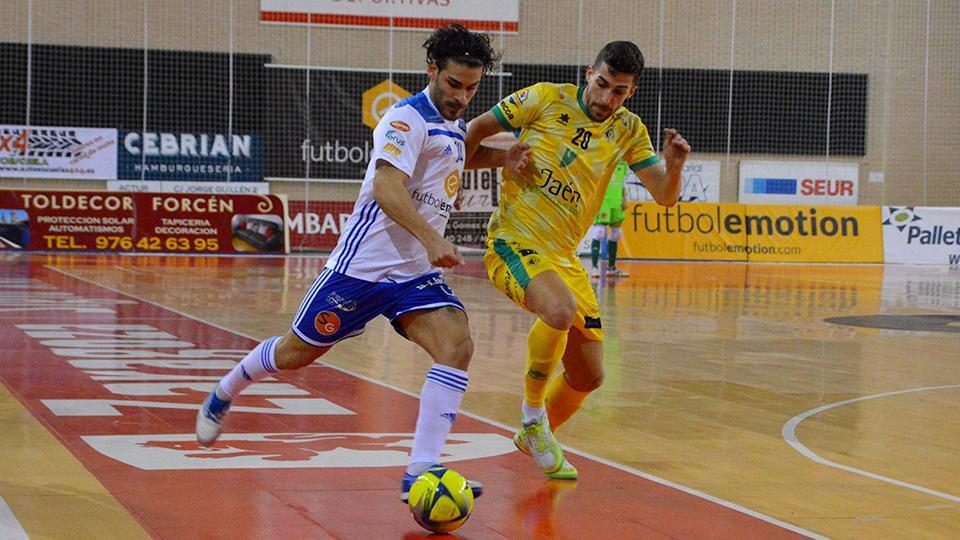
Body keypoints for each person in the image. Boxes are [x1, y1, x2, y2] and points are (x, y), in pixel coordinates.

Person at [196, 24, 506, 503]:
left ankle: (420, 469)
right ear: (431, 71)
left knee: (457, 345)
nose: (462, 97)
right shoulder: (405, 119)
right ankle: (226, 389)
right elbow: (386, 187)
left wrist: (509, 158)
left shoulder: (453, 123)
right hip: (360, 270)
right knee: (295, 355)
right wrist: (432, 237)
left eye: (472, 88)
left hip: (414, 277)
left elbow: (463, 151)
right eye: (453, 85)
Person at [465, 41, 690, 480]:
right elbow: (470, 135)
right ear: (589, 72)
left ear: (632, 92)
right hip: (514, 240)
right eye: (602, 84)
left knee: (589, 377)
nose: (607, 98)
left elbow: (665, 197)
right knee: (559, 309)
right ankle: (532, 419)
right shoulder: (545, 98)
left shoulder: (629, 129)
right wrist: (501, 161)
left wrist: (675, 166)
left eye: (619, 91)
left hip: (563, 258)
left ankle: (531, 435)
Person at [589, 160, 631, 278]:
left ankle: (611, 268)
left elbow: (622, 183)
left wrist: (624, 198)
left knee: (616, 234)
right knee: (599, 232)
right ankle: (594, 268)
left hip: (616, 202)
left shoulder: (623, 164)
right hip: (603, 202)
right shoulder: (602, 159)